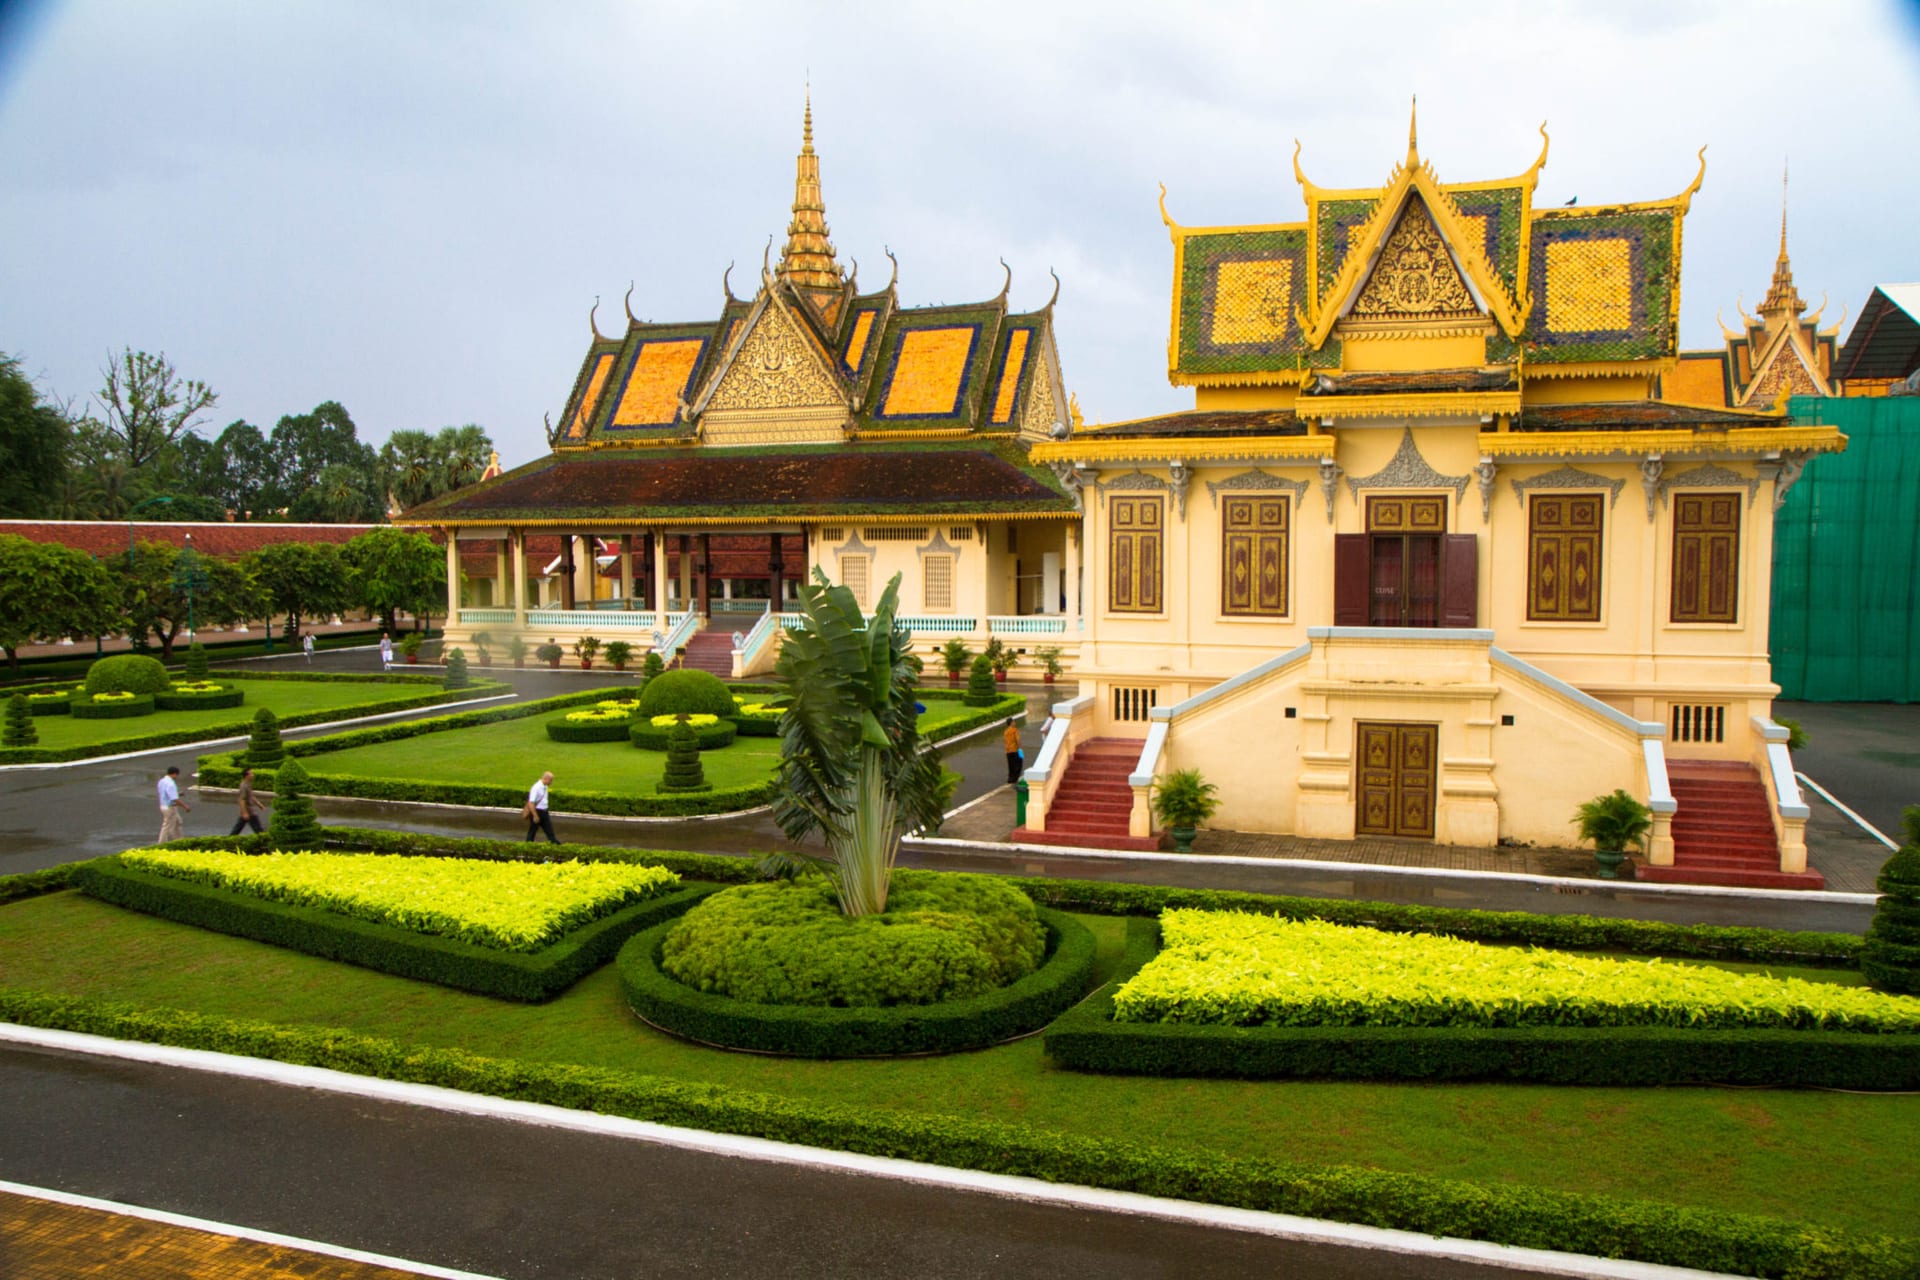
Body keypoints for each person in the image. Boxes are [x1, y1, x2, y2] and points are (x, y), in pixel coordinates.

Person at [229, 766, 268, 835]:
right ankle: (263, 840)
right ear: (247, 776)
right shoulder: (243, 786)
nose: (253, 775)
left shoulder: (248, 784)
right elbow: (241, 800)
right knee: (258, 829)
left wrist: (258, 804)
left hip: (248, 811)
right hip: (249, 811)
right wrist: (245, 813)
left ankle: (229, 839)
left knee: (238, 828)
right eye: (251, 773)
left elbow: (251, 795)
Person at [157, 766, 190, 843]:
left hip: (163, 805)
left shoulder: (162, 781)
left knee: (178, 822)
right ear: (174, 774)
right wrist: (185, 806)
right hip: (170, 807)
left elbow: (166, 794)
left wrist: (178, 794)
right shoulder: (171, 784)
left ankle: (179, 839)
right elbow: (174, 799)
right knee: (167, 826)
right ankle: (162, 843)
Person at [524, 770, 558, 843]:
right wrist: (535, 815)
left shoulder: (544, 786)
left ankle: (555, 844)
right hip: (537, 811)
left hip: (544, 812)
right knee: (532, 832)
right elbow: (531, 802)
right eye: (550, 780)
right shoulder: (536, 787)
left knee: (549, 832)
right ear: (546, 779)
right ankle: (528, 845)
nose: (551, 782)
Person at [1003, 719, 1024, 785]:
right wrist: (1020, 748)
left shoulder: (1006, 732)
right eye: (1014, 722)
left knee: (1011, 765)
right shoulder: (1014, 730)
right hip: (1015, 750)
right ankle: (1015, 778)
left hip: (1008, 751)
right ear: (1011, 723)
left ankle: (1010, 779)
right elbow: (1018, 740)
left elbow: (1005, 741)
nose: (1015, 723)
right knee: (1018, 765)